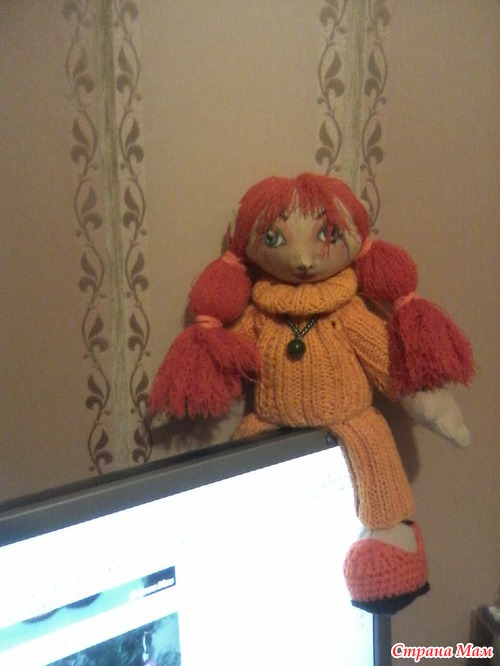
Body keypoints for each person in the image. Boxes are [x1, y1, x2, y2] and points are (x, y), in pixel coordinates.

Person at [150, 173, 473, 613]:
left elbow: (392, 369)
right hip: (268, 424)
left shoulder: (349, 314)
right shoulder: (259, 317)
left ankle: (390, 546)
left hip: (353, 420)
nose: (303, 259)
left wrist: (435, 409)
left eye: (326, 235)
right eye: (274, 238)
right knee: (243, 495)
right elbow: (226, 363)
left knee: (376, 457)